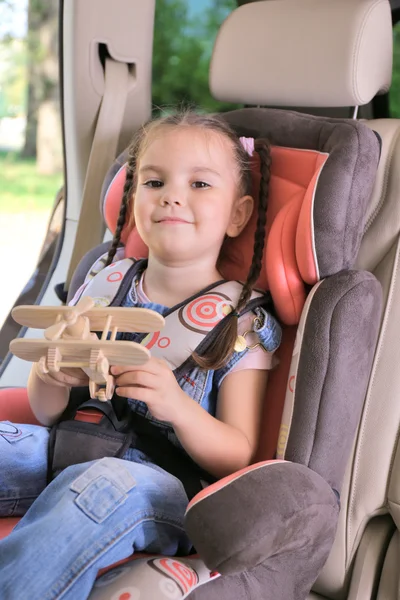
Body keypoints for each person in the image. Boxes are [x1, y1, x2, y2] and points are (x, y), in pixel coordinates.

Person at [0, 111, 281, 599]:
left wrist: (177, 405)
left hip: (160, 485)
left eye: (199, 184)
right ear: (134, 201)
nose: (173, 194)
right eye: (155, 181)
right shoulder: (104, 284)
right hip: (73, 445)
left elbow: (237, 454)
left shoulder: (240, 323)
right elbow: (47, 412)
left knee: (101, 483)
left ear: (238, 214)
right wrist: (54, 378)